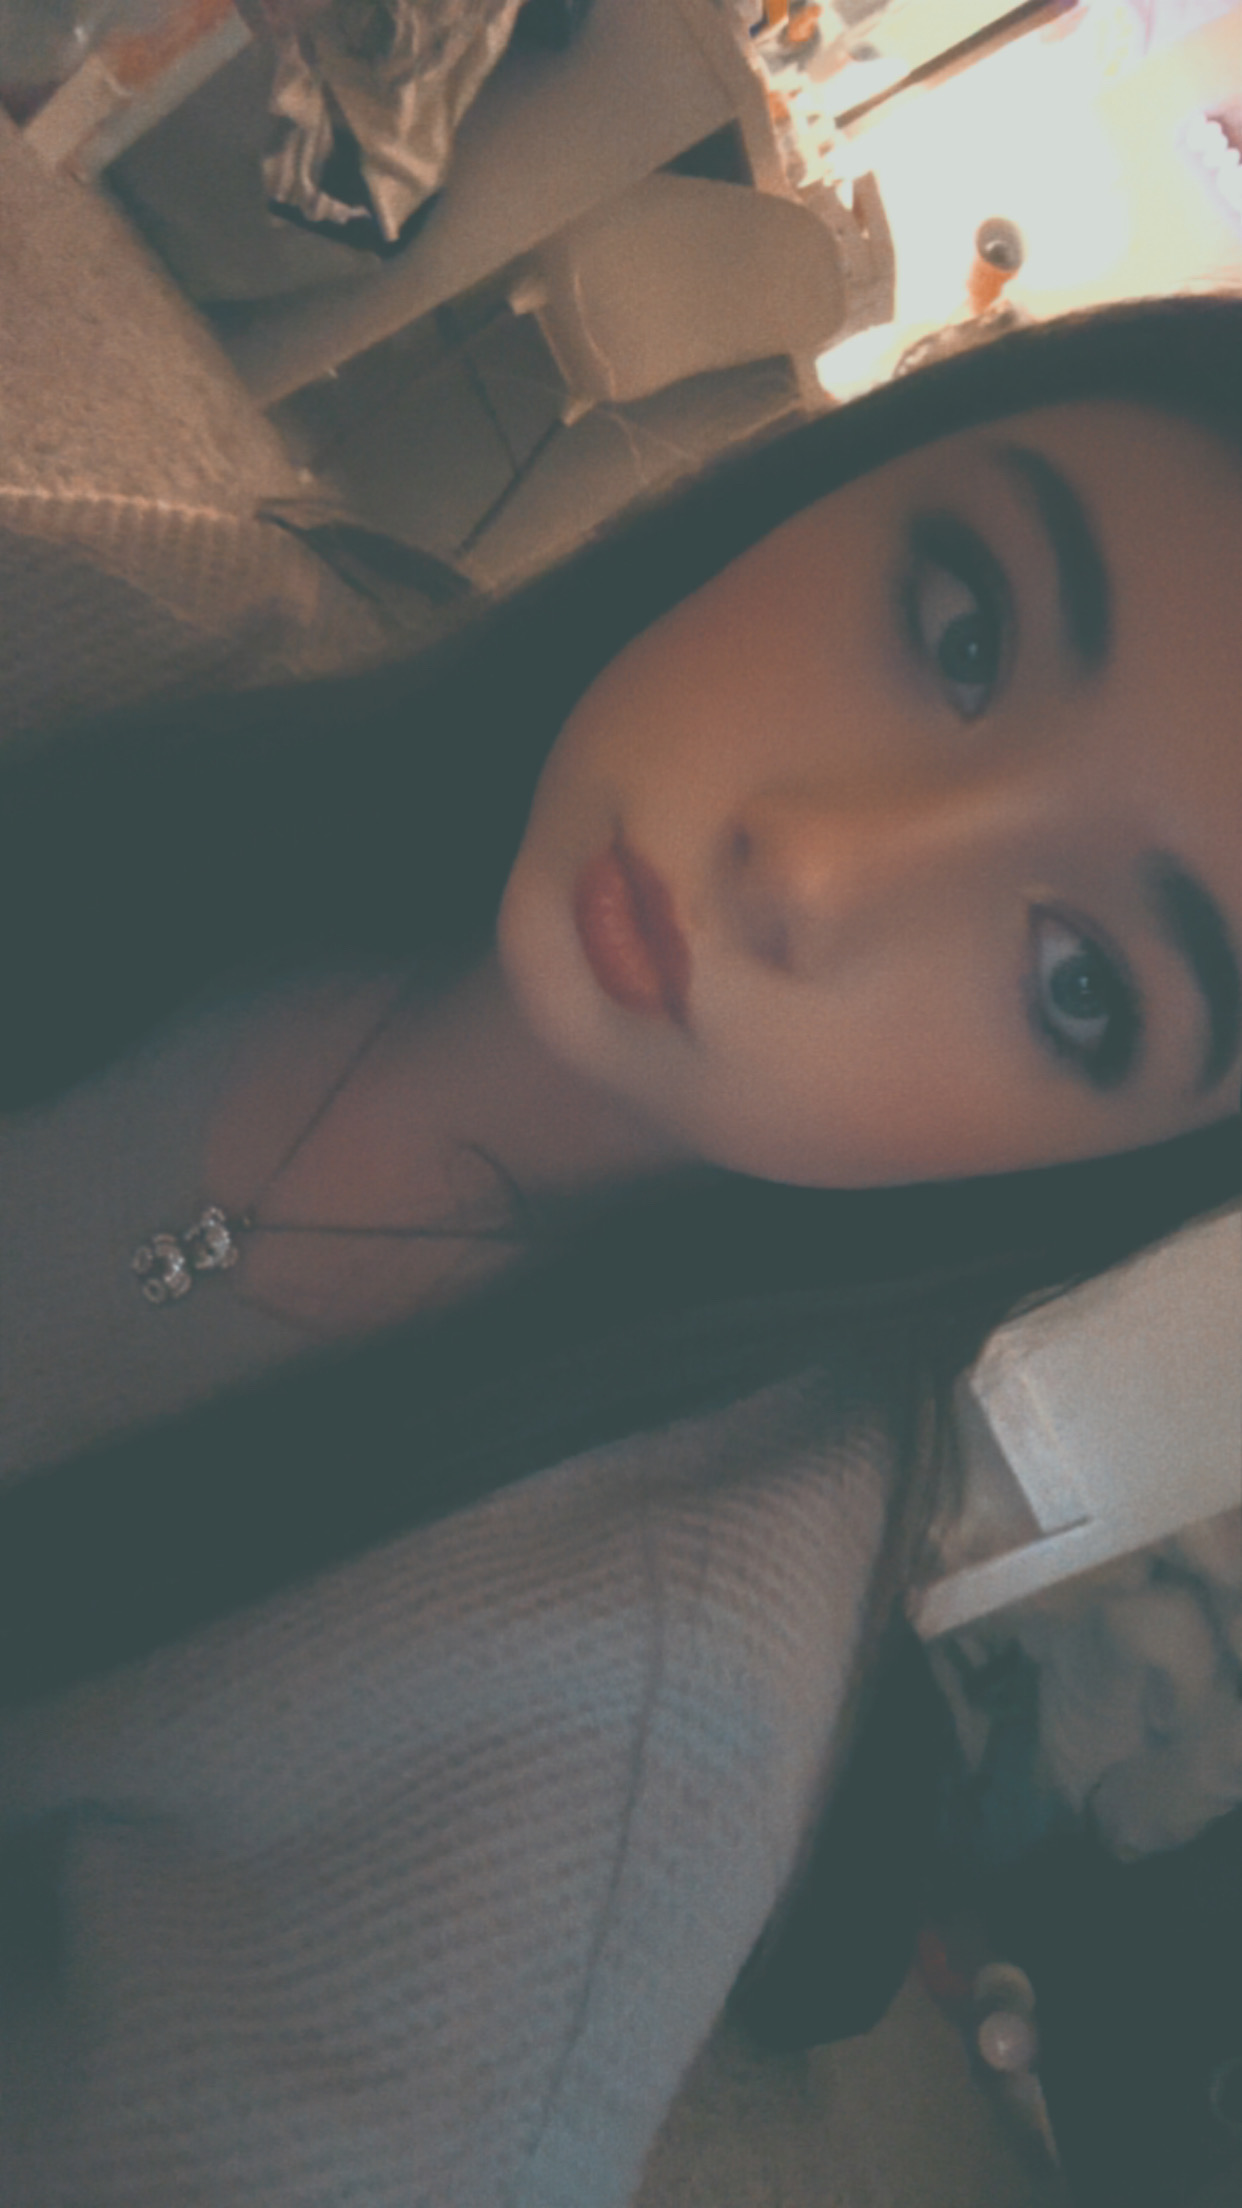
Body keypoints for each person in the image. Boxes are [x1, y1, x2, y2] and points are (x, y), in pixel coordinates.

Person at [0, 291, 1239, 2196]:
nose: (813, 867)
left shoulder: (594, 1731)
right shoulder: (200, 631)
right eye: (961, 633)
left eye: (1080, 984)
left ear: (1079, 1169)